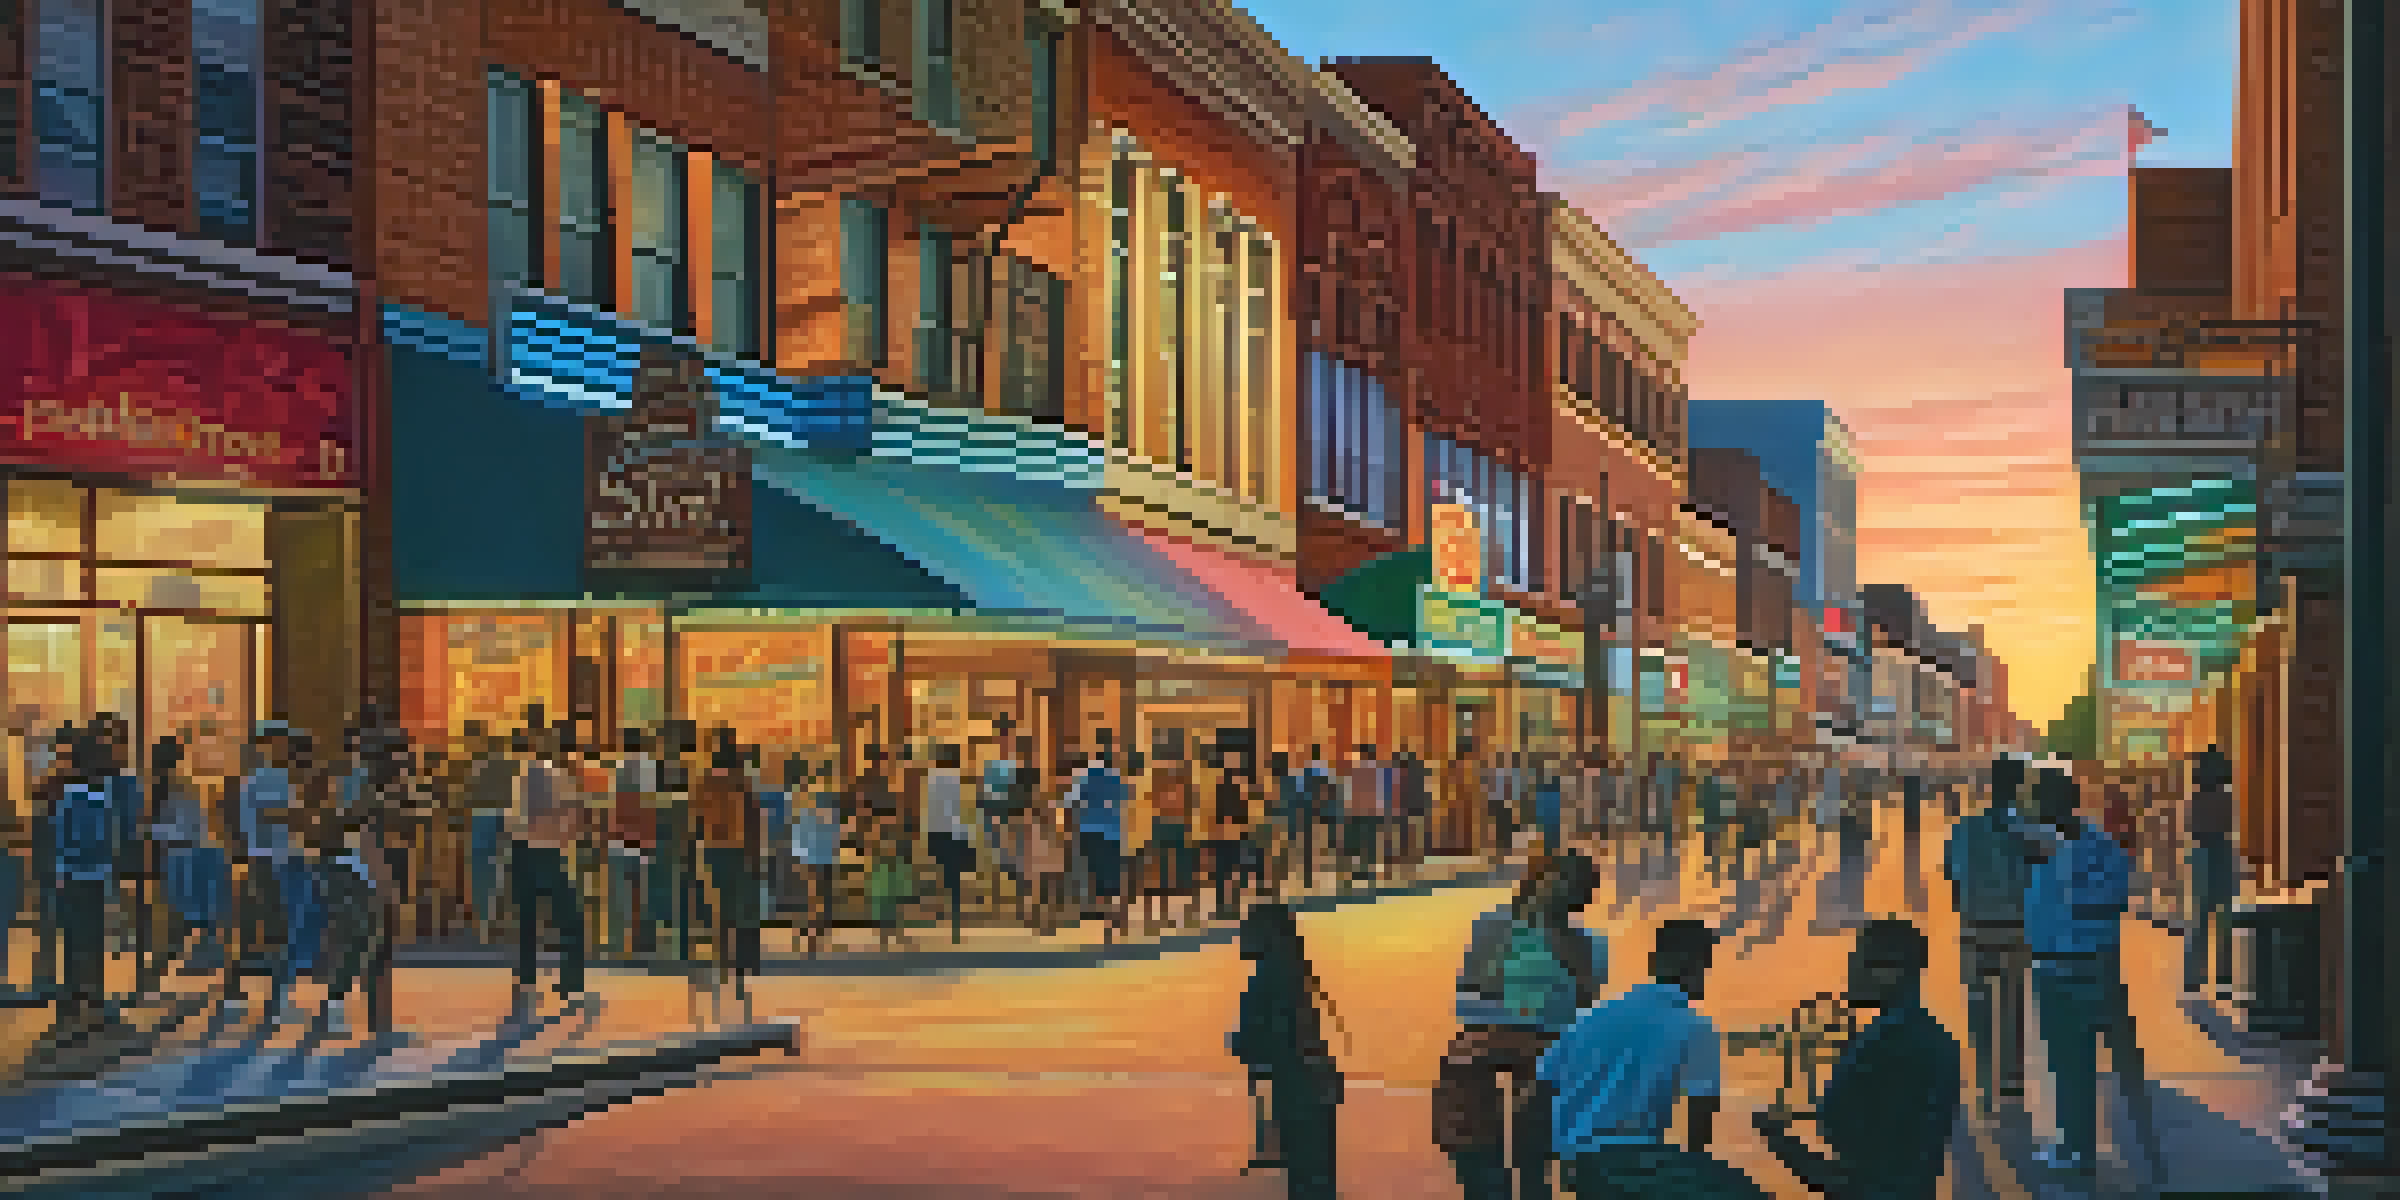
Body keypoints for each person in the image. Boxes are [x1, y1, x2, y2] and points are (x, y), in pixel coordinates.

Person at [1538, 919, 1761, 1199]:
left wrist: (1541, 1170)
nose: (1705, 976)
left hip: (1574, 1163)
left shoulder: (1592, 1017)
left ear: (1654, 962)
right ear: (1691, 967)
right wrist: (1695, 1173)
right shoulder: (1693, 1025)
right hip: (1633, 1161)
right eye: (1705, 966)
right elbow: (1701, 1114)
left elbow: (1541, 1087)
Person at [1752, 919, 1962, 1200]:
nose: (1850, 973)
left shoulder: (1893, 1046)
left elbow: (1860, 1178)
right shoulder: (1913, 1037)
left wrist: (1776, 1137)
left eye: (1860, 962)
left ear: (1894, 971)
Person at [1436, 851, 1605, 1200]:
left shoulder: (1586, 943)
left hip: (1540, 1043)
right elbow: (1471, 997)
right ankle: (1496, 1171)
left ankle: (1521, 1171)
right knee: (1469, 1077)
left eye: (1572, 888)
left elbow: (1580, 1004)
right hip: (1514, 1040)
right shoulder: (1492, 925)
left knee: (1530, 1126)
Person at [2022, 767, 2148, 1176]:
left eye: (2043, 801)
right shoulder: (2042, 845)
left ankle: (2081, 1153)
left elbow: (2114, 898)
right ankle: (2074, 1146)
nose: (2038, 809)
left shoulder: (2098, 847)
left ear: (2063, 803)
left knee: (2078, 1063)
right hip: (2050, 964)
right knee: (2064, 1064)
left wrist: (2072, 897)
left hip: (2083, 966)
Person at [1228, 902, 1345, 1200]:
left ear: (1265, 934)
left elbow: (1256, 1040)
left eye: (1248, 928)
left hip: (1297, 1091)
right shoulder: (1293, 970)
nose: (1241, 935)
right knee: (1316, 1179)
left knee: (1307, 1181)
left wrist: (1238, 1040)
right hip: (1311, 1089)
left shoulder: (1268, 977)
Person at [1942, 754, 2035, 1119]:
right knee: (2012, 1005)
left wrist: (1967, 907)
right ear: (2019, 787)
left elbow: (1952, 877)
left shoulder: (1965, 828)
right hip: (2015, 928)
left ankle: (1983, 1085)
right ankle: (2011, 1083)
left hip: (1975, 928)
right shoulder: (2027, 829)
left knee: (1979, 1009)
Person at [508, 724, 591, 1011]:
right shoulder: (555, 776)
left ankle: (527, 977)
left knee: (528, 920)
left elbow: (517, 817)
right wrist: (566, 836)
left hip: (523, 851)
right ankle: (570, 980)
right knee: (570, 919)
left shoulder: (523, 774)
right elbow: (568, 814)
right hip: (547, 851)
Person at [2184, 745, 2238, 997]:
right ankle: (2224, 978)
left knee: (2200, 919)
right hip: (2222, 853)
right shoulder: (2226, 797)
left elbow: (2192, 830)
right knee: (2224, 917)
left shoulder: (2195, 798)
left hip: (2202, 854)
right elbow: (2228, 826)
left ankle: (2194, 977)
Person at [1071, 743, 1129, 941]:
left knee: (1094, 876)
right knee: (1114, 878)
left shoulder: (1084, 776)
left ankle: (1105, 921)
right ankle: (1117, 921)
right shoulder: (1116, 777)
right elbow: (1125, 799)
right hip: (1112, 833)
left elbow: (1070, 802)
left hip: (1089, 833)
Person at [921, 743, 975, 944]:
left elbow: (930, 811)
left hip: (936, 834)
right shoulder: (957, 780)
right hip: (953, 834)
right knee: (955, 881)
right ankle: (955, 924)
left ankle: (942, 918)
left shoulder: (932, 780)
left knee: (942, 876)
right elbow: (959, 812)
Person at [1145, 740, 1198, 930]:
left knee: (1170, 870)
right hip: (1171, 822)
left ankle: (1166, 914)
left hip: (1168, 822)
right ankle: (1171, 914)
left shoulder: (1162, 774)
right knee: (1173, 871)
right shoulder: (1178, 774)